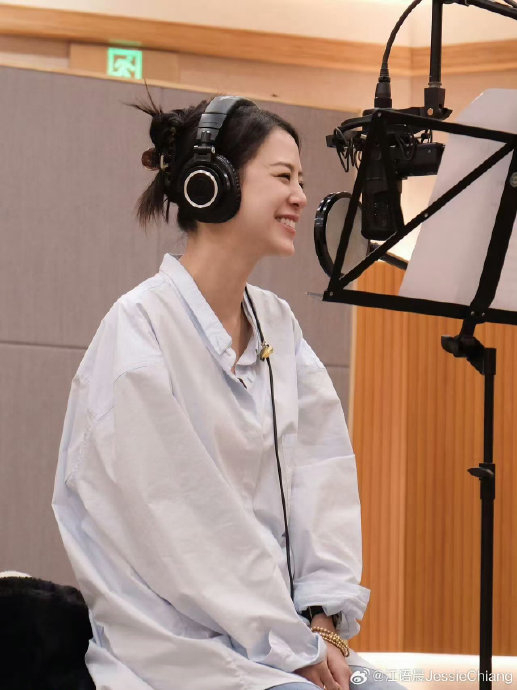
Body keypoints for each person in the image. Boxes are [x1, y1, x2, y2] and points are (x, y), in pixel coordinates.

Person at [53, 94, 402, 690]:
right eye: (283, 177)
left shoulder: (278, 324)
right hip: (179, 650)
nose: (300, 196)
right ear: (212, 184)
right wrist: (291, 646)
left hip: (284, 642)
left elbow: (321, 480)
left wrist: (323, 622)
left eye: (302, 180)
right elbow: (183, 527)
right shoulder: (139, 330)